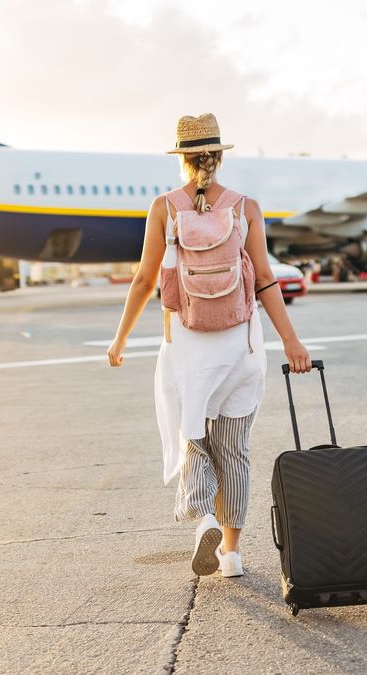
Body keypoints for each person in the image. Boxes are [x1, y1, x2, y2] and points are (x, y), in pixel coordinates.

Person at [107, 113, 312, 579]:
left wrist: (120, 338)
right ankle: (233, 555)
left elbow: (144, 280)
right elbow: (264, 280)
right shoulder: (246, 208)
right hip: (241, 346)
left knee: (194, 438)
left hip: (186, 345)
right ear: (218, 158)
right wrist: (292, 342)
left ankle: (203, 519)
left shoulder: (166, 208)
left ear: (182, 160)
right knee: (234, 448)